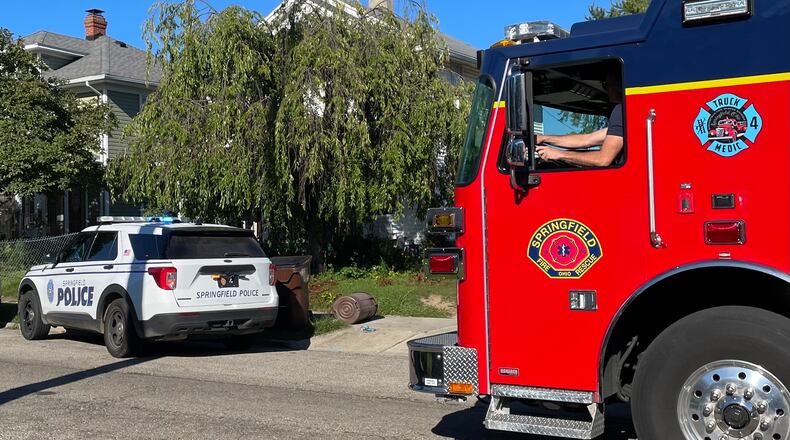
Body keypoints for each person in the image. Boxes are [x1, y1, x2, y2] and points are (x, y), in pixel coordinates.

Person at [535, 72, 624, 167]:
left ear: (619, 86)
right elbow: (587, 139)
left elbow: (603, 159)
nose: (605, 89)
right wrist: (543, 138)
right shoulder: (625, 114)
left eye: (606, 85)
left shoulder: (621, 110)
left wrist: (559, 154)